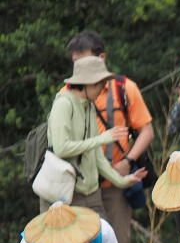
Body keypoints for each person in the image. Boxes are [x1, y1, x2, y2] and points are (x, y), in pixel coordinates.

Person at [66, 31, 154, 243]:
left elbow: (146, 130)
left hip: (117, 181)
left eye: (84, 62)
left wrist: (127, 162)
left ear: (101, 58)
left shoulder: (125, 88)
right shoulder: (67, 94)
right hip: (82, 184)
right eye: (75, 63)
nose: (78, 69)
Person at [43, 56, 146, 214]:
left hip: (91, 193)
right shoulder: (63, 104)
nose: (104, 87)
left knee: (105, 238)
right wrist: (102, 139)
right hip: (65, 195)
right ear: (88, 83)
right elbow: (61, 148)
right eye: (101, 83)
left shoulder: (89, 107)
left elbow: (97, 157)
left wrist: (123, 181)